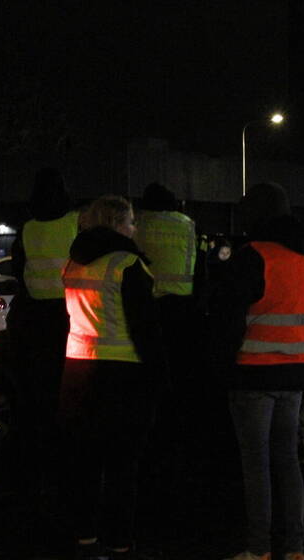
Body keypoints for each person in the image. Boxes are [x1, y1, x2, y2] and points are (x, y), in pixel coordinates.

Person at [214, 183, 304, 560]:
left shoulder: (253, 257)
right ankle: (295, 555)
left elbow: (227, 322)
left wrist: (222, 368)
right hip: (295, 374)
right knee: (287, 462)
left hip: (252, 375)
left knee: (255, 465)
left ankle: (258, 553)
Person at [60, 195, 166, 560]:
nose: (135, 228)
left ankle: (86, 542)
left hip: (77, 373)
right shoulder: (128, 264)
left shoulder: (74, 261)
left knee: (85, 462)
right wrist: (158, 375)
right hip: (123, 375)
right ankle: (123, 548)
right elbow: (145, 331)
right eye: (132, 222)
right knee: (123, 466)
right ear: (119, 224)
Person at [7, 169, 79, 502]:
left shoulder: (28, 228)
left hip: (34, 321)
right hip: (67, 319)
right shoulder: (76, 223)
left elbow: (17, 268)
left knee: (35, 402)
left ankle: (30, 471)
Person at [133, 183, 198, 510]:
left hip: (149, 309)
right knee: (177, 386)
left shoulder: (139, 224)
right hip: (181, 311)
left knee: (151, 386)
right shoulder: (186, 224)